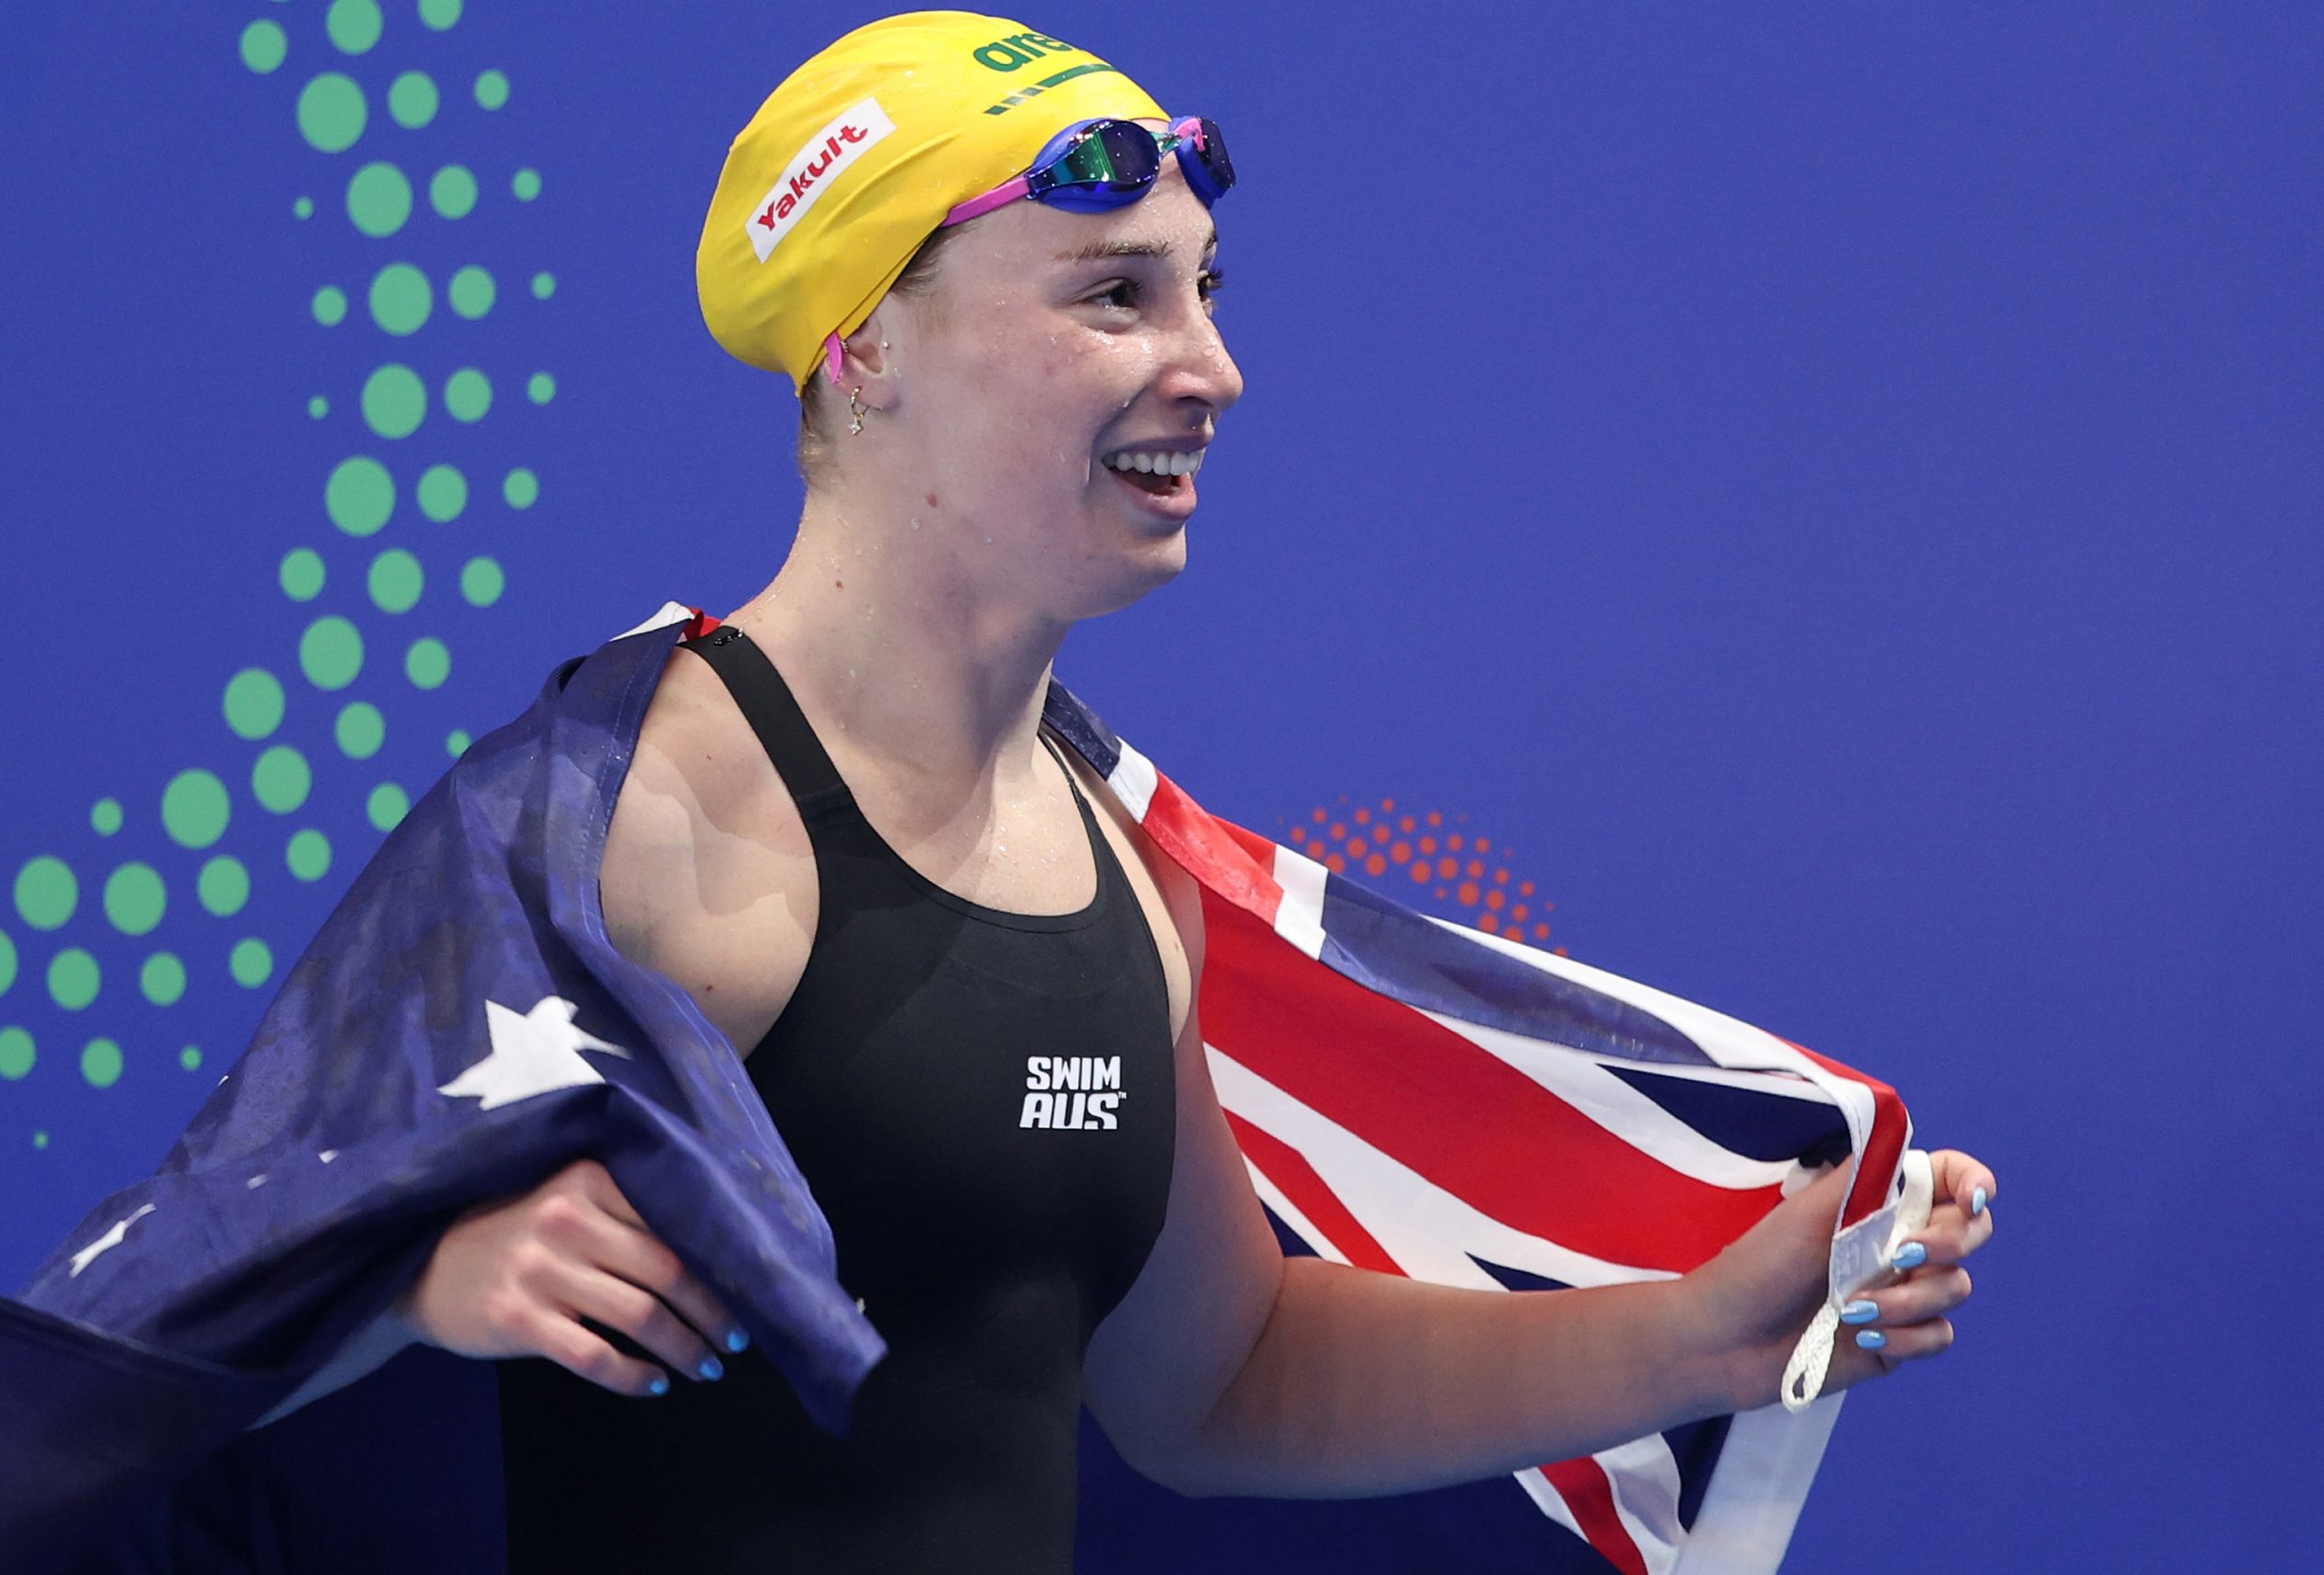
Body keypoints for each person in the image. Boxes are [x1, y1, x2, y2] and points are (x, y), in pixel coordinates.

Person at [267, 12, 1996, 1573]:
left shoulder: (1112, 872)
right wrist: (414, 1283)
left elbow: (1224, 1383)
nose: (1214, 368)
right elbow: (159, 1333)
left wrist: (1695, 1336)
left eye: (1205, 290)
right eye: (1115, 295)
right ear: (863, 347)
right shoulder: (624, 818)